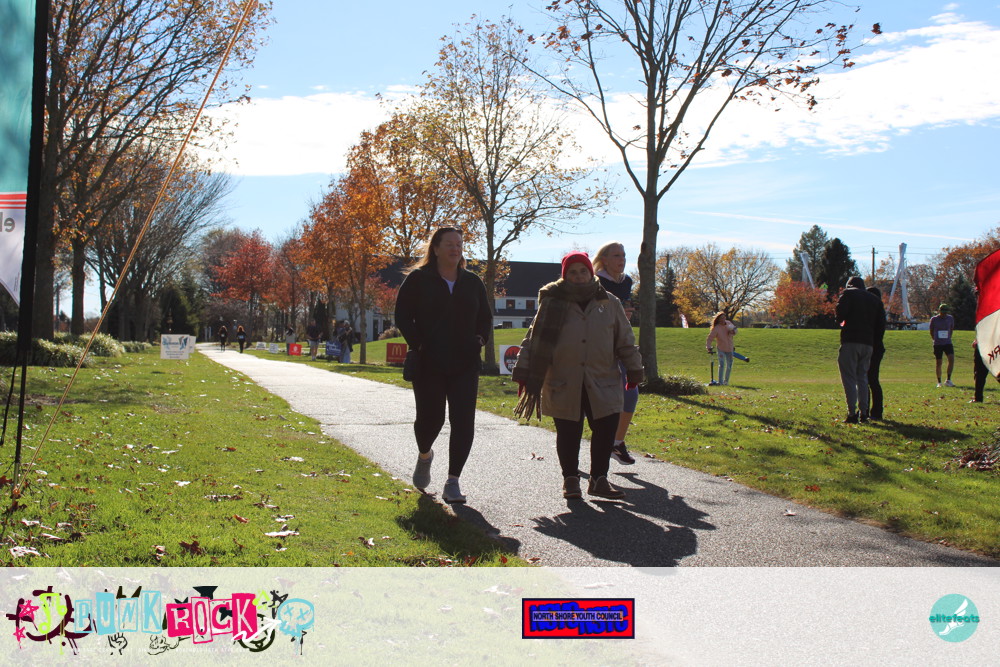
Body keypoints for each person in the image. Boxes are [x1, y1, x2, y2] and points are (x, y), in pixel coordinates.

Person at [511, 252, 643, 500]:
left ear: (590, 272)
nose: (579, 276)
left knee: (605, 430)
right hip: (564, 379)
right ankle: (570, 479)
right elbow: (533, 339)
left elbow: (625, 340)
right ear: (565, 276)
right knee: (569, 432)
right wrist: (523, 372)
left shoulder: (609, 302)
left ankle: (599, 479)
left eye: (583, 271)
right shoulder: (552, 302)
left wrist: (634, 369)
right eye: (572, 272)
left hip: (603, 378)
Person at [394, 227, 493, 504]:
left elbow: (485, 317)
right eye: (449, 244)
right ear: (435, 248)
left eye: (459, 244)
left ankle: (453, 481)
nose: (455, 248)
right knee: (430, 419)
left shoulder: (472, 282)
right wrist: (419, 344)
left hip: (465, 363)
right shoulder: (418, 279)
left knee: (463, 421)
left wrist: (479, 339)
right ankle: (425, 454)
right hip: (429, 363)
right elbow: (402, 316)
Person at [593, 241, 639, 466]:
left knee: (630, 393)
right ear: (604, 259)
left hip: (621, 343)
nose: (622, 259)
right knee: (590, 399)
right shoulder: (595, 282)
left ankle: (616, 443)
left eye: (623, 255)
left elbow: (623, 308)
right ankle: (572, 442)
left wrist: (626, 314)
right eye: (616, 255)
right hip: (597, 345)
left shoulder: (627, 281)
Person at [835, 276, 881, 423]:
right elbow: (880, 323)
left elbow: (840, 316)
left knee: (849, 377)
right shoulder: (874, 299)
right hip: (868, 343)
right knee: (862, 377)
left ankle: (851, 413)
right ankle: (864, 412)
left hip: (851, 340)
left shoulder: (848, 294)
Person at [866, 286, 887, 420]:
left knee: (870, 380)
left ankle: (869, 410)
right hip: (877, 348)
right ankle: (875, 411)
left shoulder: (874, 312)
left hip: (873, 347)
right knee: (872, 380)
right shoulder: (880, 311)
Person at [705, 312, 737, 386]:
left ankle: (726, 381)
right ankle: (720, 382)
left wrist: (733, 331)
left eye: (724, 318)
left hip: (730, 348)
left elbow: (735, 331)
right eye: (721, 318)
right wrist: (708, 347)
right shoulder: (716, 328)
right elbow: (710, 338)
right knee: (722, 364)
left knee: (729, 365)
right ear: (718, 319)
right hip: (721, 349)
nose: (723, 319)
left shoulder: (729, 323)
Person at [930, 303, 955, 387]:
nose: (944, 314)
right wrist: (935, 339)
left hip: (947, 342)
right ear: (939, 311)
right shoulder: (934, 319)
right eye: (942, 312)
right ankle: (939, 382)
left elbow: (951, 329)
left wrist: (949, 337)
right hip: (938, 344)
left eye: (945, 312)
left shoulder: (950, 318)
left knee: (951, 359)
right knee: (939, 362)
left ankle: (948, 380)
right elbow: (931, 330)